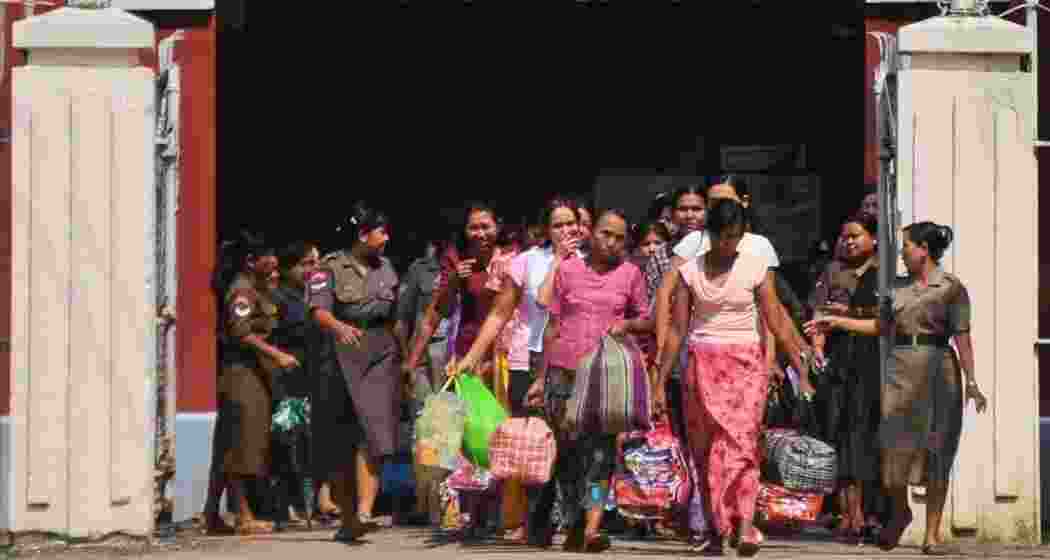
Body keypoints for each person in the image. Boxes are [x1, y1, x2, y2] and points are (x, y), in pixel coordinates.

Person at [805, 221, 988, 555]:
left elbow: (963, 338)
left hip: (939, 368)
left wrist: (972, 381)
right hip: (900, 368)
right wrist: (837, 322)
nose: (902, 252)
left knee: (937, 450)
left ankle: (931, 534)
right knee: (892, 449)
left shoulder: (951, 288)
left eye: (907, 245)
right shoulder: (896, 288)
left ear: (924, 250)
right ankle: (900, 511)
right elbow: (880, 326)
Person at [658, 199, 806, 557]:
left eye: (735, 237)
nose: (728, 244)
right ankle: (715, 528)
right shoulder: (689, 272)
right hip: (702, 366)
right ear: (709, 234)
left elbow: (775, 319)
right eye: (722, 236)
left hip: (746, 365)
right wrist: (658, 381)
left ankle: (744, 526)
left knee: (742, 446)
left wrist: (799, 367)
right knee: (706, 451)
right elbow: (677, 330)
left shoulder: (756, 267)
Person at [451, 196, 582, 546]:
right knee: (533, 445)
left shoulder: (591, 263)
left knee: (574, 447)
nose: (566, 231)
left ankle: (577, 522)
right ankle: (536, 523)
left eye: (571, 224)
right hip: (528, 359)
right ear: (545, 230)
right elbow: (500, 313)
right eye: (558, 225)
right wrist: (473, 355)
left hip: (576, 363)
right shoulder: (526, 262)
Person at [532, 208, 652, 553]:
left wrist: (627, 325)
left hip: (605, 379)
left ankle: (592, 527)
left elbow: (647, 319)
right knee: (568, 456)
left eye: (619, 237)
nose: (611, 242)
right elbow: (552, 326)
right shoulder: (568, 270)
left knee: (601, 458)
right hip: (564, 374)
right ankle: (572, 521)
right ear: (591, 232)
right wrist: (540, 379)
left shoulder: (631, 274)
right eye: (605, 233)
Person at [307, 201, 402, 542]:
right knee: (342, 435)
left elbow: (396, 317)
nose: (387, 238)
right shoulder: (329, 267)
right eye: (381, 232)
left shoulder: (387, 267)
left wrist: (407, 358)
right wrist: (338, 328)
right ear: (363, 235)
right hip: (342, 355)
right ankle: (348, 516)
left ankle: (364, 511)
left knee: (373, 432)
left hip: (381, 353)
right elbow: (319, 311)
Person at [214, 236, 301, 535]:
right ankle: (243, 515)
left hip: (256, 373)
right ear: (251, 261)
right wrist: (278, 355)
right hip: (242, 373)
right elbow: (242, 333)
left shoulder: (259, 289)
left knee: (235, 443)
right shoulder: (242, 291)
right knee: (243, 444)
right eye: (267, 256)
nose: (274, 260)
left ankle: (212, 514)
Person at [810, 215, 883, 543]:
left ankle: (870, 514)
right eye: (844, 236)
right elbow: (819, 314)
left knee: (867, 434)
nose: (849, 241)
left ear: (874, 238)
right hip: (840, 359)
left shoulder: (883, 271)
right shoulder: (833, 272)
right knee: (840, 432)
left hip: (872, 358)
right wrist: (817, 348)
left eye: (856, 235)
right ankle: (848, 514)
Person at [269, 242, 321, 529]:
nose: (313, 269)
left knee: (307, 444)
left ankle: (309, 505)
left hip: (309, 380)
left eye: (316, 262)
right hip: (286, 382)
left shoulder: (313, 295)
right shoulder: (278, 298)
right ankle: (284, 507)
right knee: (285, 442)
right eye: (306, 264)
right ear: (290, 268)